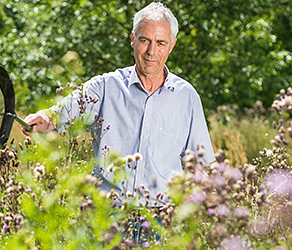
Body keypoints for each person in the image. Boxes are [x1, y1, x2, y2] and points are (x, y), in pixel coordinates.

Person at [23, 2, 215, 208]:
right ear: (133, 40)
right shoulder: (105, 87)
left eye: (160, 43)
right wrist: (43, 118)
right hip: (107, 214)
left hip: (162, 218)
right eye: (145, 40)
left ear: (171, 45)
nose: (152, 51)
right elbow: (57, 114)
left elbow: (200, 164)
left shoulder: (186, 96)